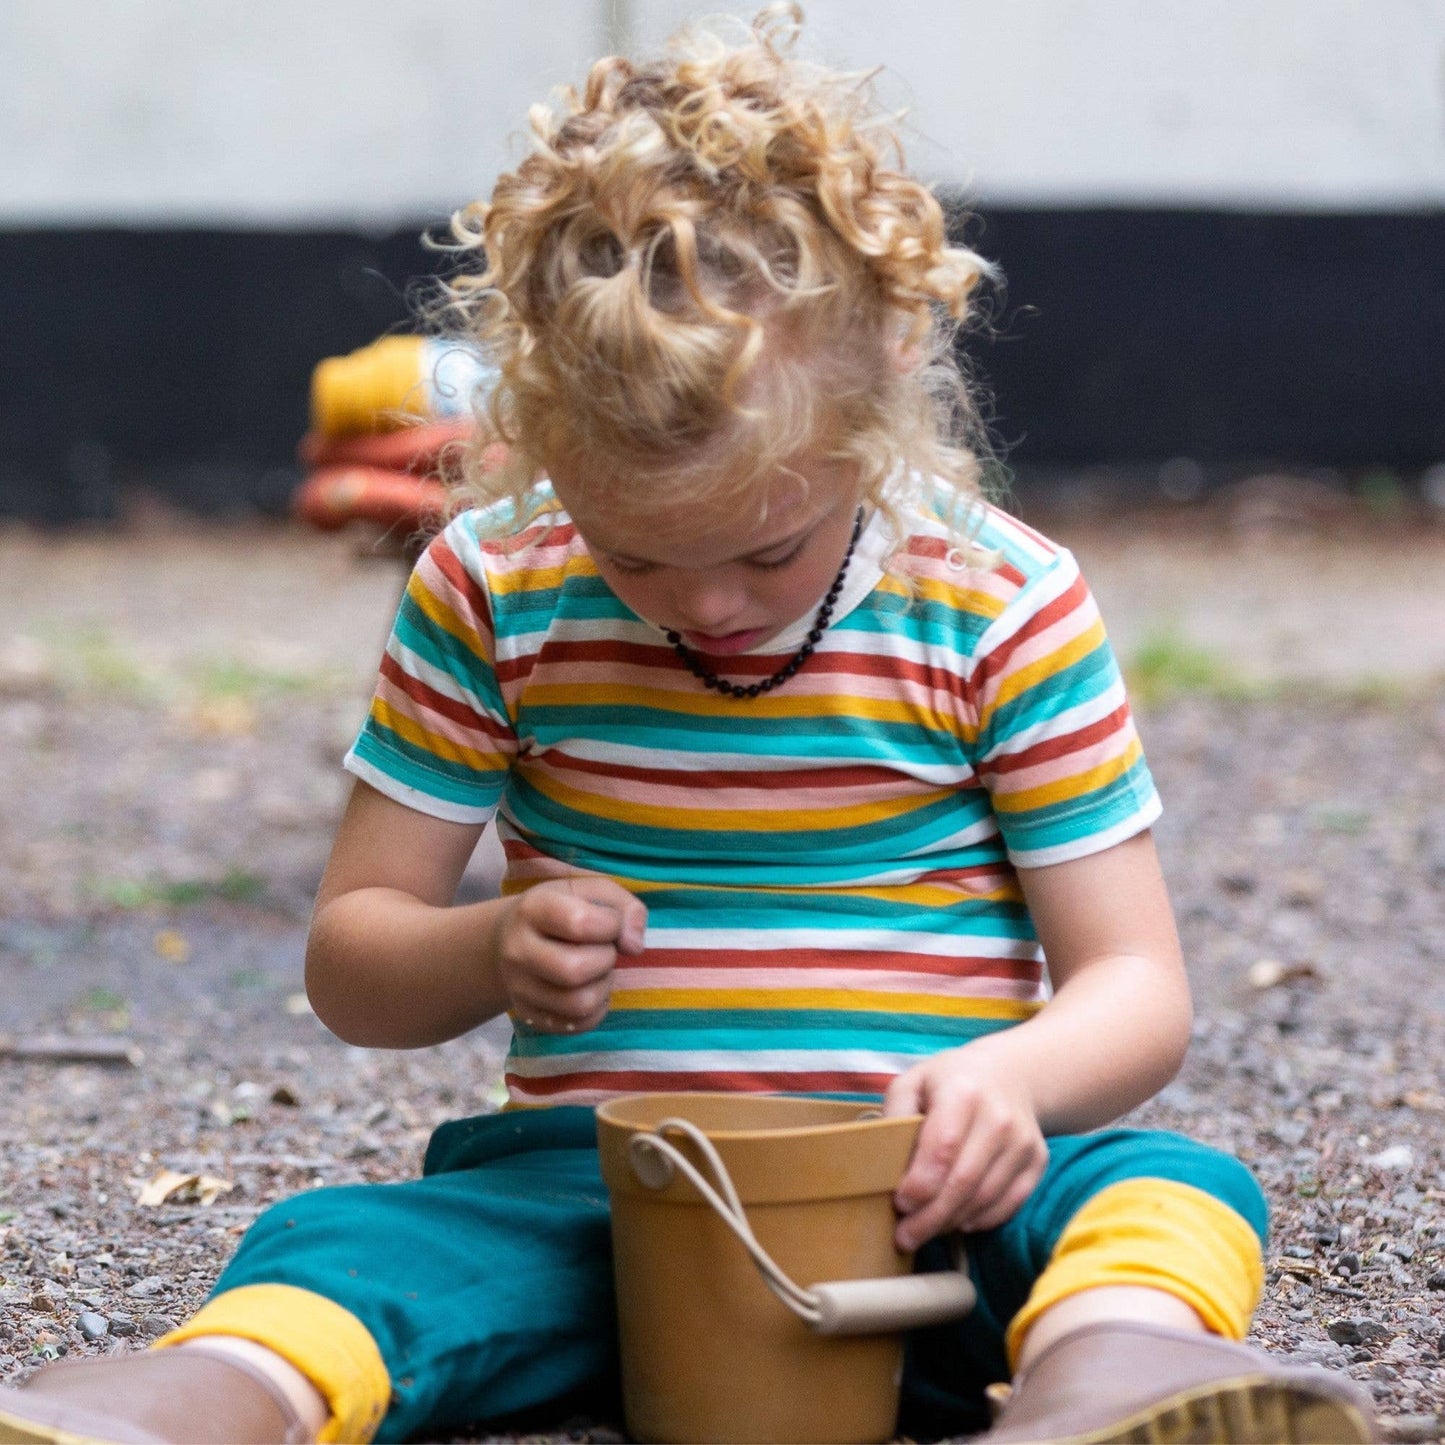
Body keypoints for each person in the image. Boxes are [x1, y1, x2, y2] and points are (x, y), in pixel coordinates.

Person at [0, 7, 1376, 1443]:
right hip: (605, 1196)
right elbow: (355, 964)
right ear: (533, 424)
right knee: (358, 1243)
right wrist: (485, 944)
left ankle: (1105, 1379)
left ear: (885, 390)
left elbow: (1135, 986)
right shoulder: (494, 584)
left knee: (1166, 1190)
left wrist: (1004, 1081)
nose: (704, 604)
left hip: (932, 1198)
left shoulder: (997, 603)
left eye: (767, 552)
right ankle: (182, 1406)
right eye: (637, 557)